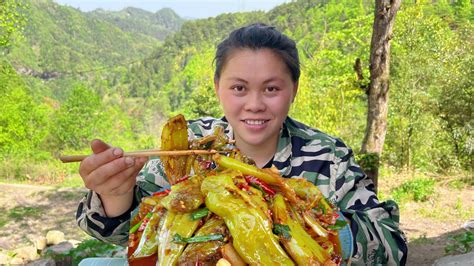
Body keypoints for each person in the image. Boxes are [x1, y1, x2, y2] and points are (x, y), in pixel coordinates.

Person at [76, 23, 407, 265]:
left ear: (293, 90)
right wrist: (116, 196)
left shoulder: (326, 156)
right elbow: (129, 238)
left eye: (271, 89)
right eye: (239, 88)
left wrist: (307, 221)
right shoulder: (189, 148)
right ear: (218, 87)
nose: (254, 104)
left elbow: (393, 247)